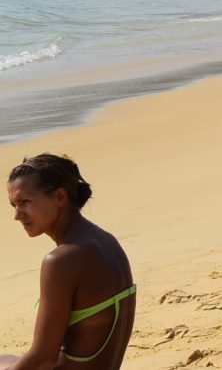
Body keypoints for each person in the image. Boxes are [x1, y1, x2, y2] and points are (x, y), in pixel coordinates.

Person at [2, 154, 136, 369]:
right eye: (14, 206)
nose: (17, 215)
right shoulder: (105, 240)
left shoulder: (61, 260)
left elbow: (42, 359)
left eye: (25, 202)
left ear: (60, 198)